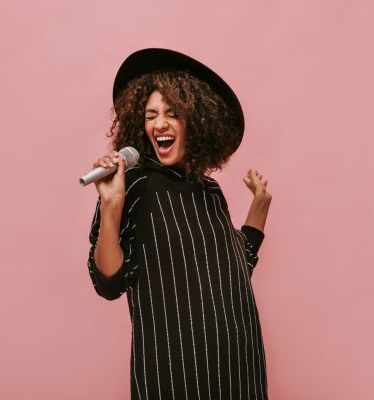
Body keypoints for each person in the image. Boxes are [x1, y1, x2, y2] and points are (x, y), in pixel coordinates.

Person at [86, 48, 272, 400]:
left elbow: (233, 270)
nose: (159, 124)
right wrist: (110, 207)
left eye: (172, 113)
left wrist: (260, 207)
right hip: (175, 377)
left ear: (197, 121)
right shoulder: (134, 184)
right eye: (151, 115)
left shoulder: (210, 191)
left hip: (239, 371)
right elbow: (109, 282)